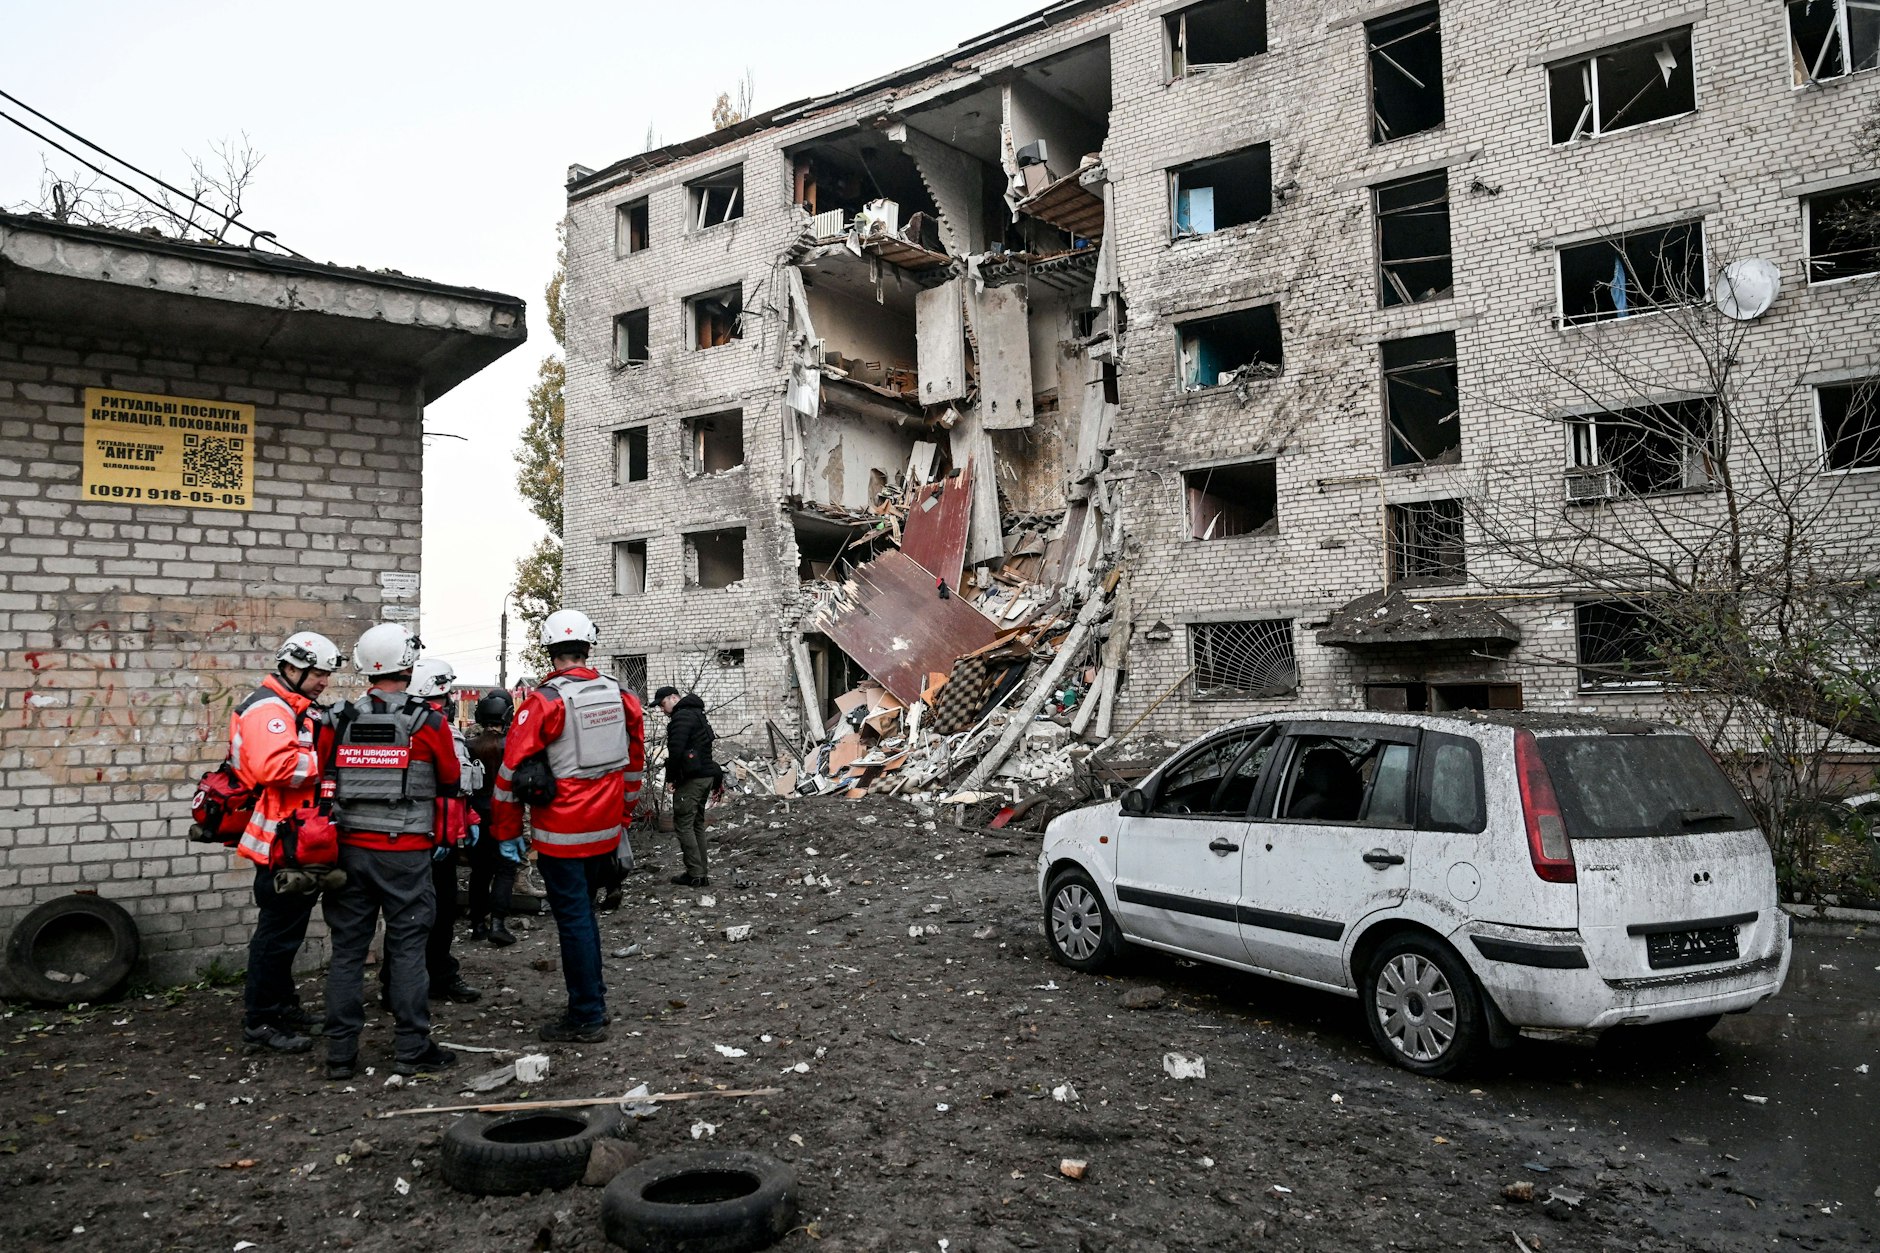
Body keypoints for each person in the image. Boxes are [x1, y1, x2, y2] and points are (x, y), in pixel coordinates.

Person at [492, 609, 644, 1043]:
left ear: (550, 649)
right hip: (606, 832)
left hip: (561, 836)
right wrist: (624, 816)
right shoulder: (620, 695)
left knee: (575, 920)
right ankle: (593, 1001)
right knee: (586, 916)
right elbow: (633, 764)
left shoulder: (545, 701)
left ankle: (586, 1015)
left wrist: (506, 833)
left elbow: (510, 773)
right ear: (588, 647)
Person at [321, 624, 461, 1080]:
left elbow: (324, 775)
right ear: (408, 663)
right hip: (406, 852)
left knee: (347, 952)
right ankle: (411, 1047)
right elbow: (450, 777)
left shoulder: (338, 719)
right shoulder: (429, 722)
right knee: (406, 950)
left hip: (349, 850)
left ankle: (340, 1054)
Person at [231, 631, 339, 1054]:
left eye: (326, 675)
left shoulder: (290, 706)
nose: (323, 682)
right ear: (292, 667)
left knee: (287, 931)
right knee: (276, 935)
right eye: (318, 674)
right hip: (280, 843)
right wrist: (331, 761)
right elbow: (276, 768)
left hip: (292, 838)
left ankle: (283, 1005)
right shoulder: (270, 709)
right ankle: (261, 1020)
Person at [408, 658, 482, 1003]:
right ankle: (431, 977)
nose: (449, 701)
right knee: (430, 911)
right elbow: (446, 783)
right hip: (427, 835)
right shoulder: (427, 728)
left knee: (431, 910)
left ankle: (425, 977)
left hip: (434, 833)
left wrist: (469, 818)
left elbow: (458, 785)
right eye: (443, 695)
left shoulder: (435, 727)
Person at [654, 686, 724, 889]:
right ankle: (701, 873)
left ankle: (695, 874)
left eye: (662, 704)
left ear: (673, 698)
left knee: (684, 824)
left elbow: (676, 751)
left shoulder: (681, 717)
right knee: (696, 824)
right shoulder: (697, 713)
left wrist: (672, 778)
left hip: (692, 779)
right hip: (704, 777)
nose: (662, 710)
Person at [465, 690, 520, 947]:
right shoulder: (512, 745)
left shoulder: (469, 746)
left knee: (479, 871)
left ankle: (477, 924)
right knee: (505, 869)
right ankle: (498, 924)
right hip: (505, 813)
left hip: (476, 814)